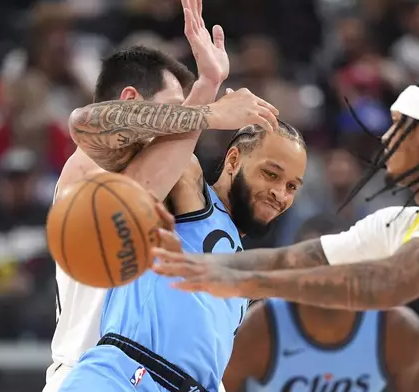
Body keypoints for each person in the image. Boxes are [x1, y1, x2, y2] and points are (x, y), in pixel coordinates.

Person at [152, 75, 419, 392]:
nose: (384, 135)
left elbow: (388, 283)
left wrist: (239, 281)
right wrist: (200, 266)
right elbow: (293, 258)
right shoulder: (402, 224)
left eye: (398, 123)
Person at [44, 1, 279, 391]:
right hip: (88, 373)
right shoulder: (87, 163)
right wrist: (210, 111)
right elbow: (128, 182)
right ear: (130, 101)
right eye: (173, 110)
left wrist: (208, 84)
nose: (180, 127)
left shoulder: (174, 189)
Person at [223, 214, 419, 392]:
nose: (324, 277)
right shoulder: (258, 329)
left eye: (334, 263)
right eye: (313, 265)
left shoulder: (397, 330)